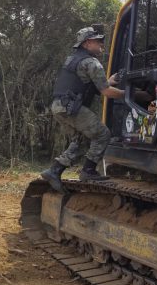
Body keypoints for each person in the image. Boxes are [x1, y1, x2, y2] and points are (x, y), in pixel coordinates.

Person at [41, 26, 124, 192]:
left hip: (59, 107)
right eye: (98, 40)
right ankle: (88, 171)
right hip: (72, 107)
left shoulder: (73, 59)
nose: (102, 43)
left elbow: (86, 84)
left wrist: (109, 81)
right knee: (102, 134)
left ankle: (54, 171)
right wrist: (129, 95)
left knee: (80, 140)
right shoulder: (91, 62)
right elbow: (106, 91)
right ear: (87, 43)